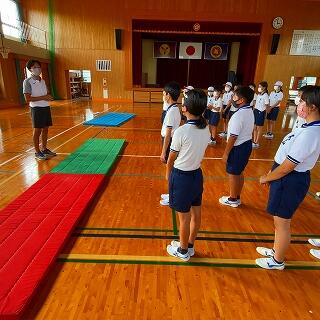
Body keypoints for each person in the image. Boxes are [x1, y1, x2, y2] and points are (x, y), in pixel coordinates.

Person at [256, 85, 320, 270]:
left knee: (282, 222)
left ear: (313, 106)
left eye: (301, 101)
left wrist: (267, 178)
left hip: (290, 180)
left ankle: (278, 261)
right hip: (284, 176)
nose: (298, 104)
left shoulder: (311, 134)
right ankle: (277, 250)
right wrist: (272, 173)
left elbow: (288, 167)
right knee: (278, 221)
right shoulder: (307, 127)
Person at [166, 89, 210, 261]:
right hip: (196, 176)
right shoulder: (205, 128)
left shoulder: (182, 132)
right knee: (196, 214)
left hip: (182, 177)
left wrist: (168, 174)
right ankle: (189, 245)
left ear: (185, 108)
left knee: (183, 218)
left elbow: (171, 158)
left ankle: (183, 251)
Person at [219, 86, 254, 208]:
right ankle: (237, 196)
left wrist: (226, 153)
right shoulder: (249, 110)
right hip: (246, 145)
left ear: (242, 100)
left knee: (233, 173)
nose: (232, 98)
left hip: (238, 147)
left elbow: (233, 136)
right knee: (239, 172)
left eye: (235, 96)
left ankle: (233, 199)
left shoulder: (238, 115)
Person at [23, 59, 56, 160]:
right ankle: (37, 152)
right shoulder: (27, 82)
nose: (38, 69)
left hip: (45, 107)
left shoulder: (43, 81)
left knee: (45, 129)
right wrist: (44, 97)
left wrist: (48, 96)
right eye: (35, 67)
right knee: (37, 131)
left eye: (39, 67)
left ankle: (44, 149)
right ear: (30, 69)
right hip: (36, 109)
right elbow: (27, 98)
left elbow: (45, 94)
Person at [160, 81, 181, 206]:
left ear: (168, 95)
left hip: (169, 142)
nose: (163, 95)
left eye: (164, 93)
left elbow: (168, 134)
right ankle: (171, 194)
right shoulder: (173, 109)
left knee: (170, 171)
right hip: (170, 141)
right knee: (171, 170)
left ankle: (172, 196)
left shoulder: (172, 111)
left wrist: (163, 152)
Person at [252, 81, 269, 148]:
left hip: (261, 112)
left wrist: (266, 114)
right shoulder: (259, 95)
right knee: (255, 127)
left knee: (259, 128)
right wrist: (254, 110)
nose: (259, 88)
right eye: (258, 86)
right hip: (256, 111)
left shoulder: (266, 95)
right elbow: (256, 104)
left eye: (260, 86)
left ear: (264, 87)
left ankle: (257, 142)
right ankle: (254, 141)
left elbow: (267, 106)